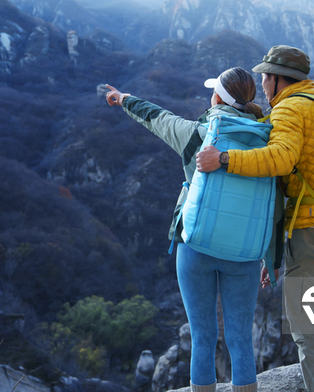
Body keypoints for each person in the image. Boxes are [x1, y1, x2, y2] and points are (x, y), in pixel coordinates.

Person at [196, 46, 314, 392]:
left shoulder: (291, 107)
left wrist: (225, 159)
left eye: (264, 76)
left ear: (276, 79)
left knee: (310, 329)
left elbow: (280, 159)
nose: (261, 82)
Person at [105, 67, 265, 392]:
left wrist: (123, 99)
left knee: (202, 336)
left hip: (196, 246)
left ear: (218, 97)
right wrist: (273, 254)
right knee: (239, 338)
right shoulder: (268, 138)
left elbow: (156, 116)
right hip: (245, 254)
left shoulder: (196, 133)